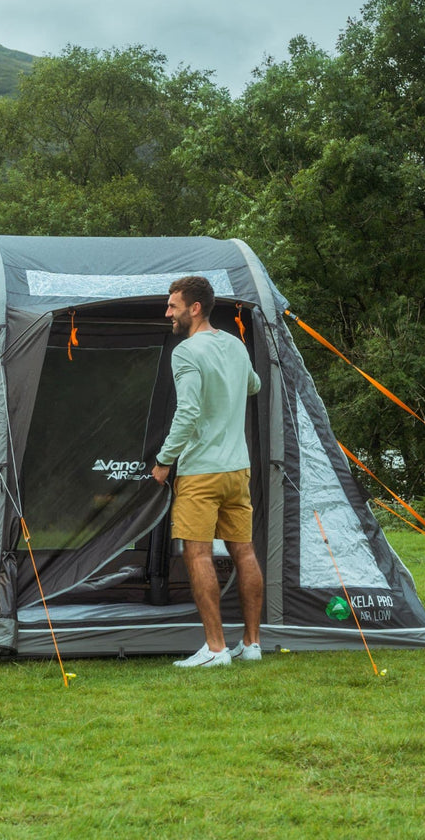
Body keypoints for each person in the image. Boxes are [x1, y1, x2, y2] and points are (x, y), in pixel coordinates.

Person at [151, 276, 264, 669]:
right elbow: (254, 385)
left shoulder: (186, 352)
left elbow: (188, 413)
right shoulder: (235, 344)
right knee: (244, 552)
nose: (168, 313)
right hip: (238, 469)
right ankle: (251, 645)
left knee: (196, 554)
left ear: (194, 308)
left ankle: (216, 650)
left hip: (201, 471)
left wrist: (165, 460)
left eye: (172, 306)